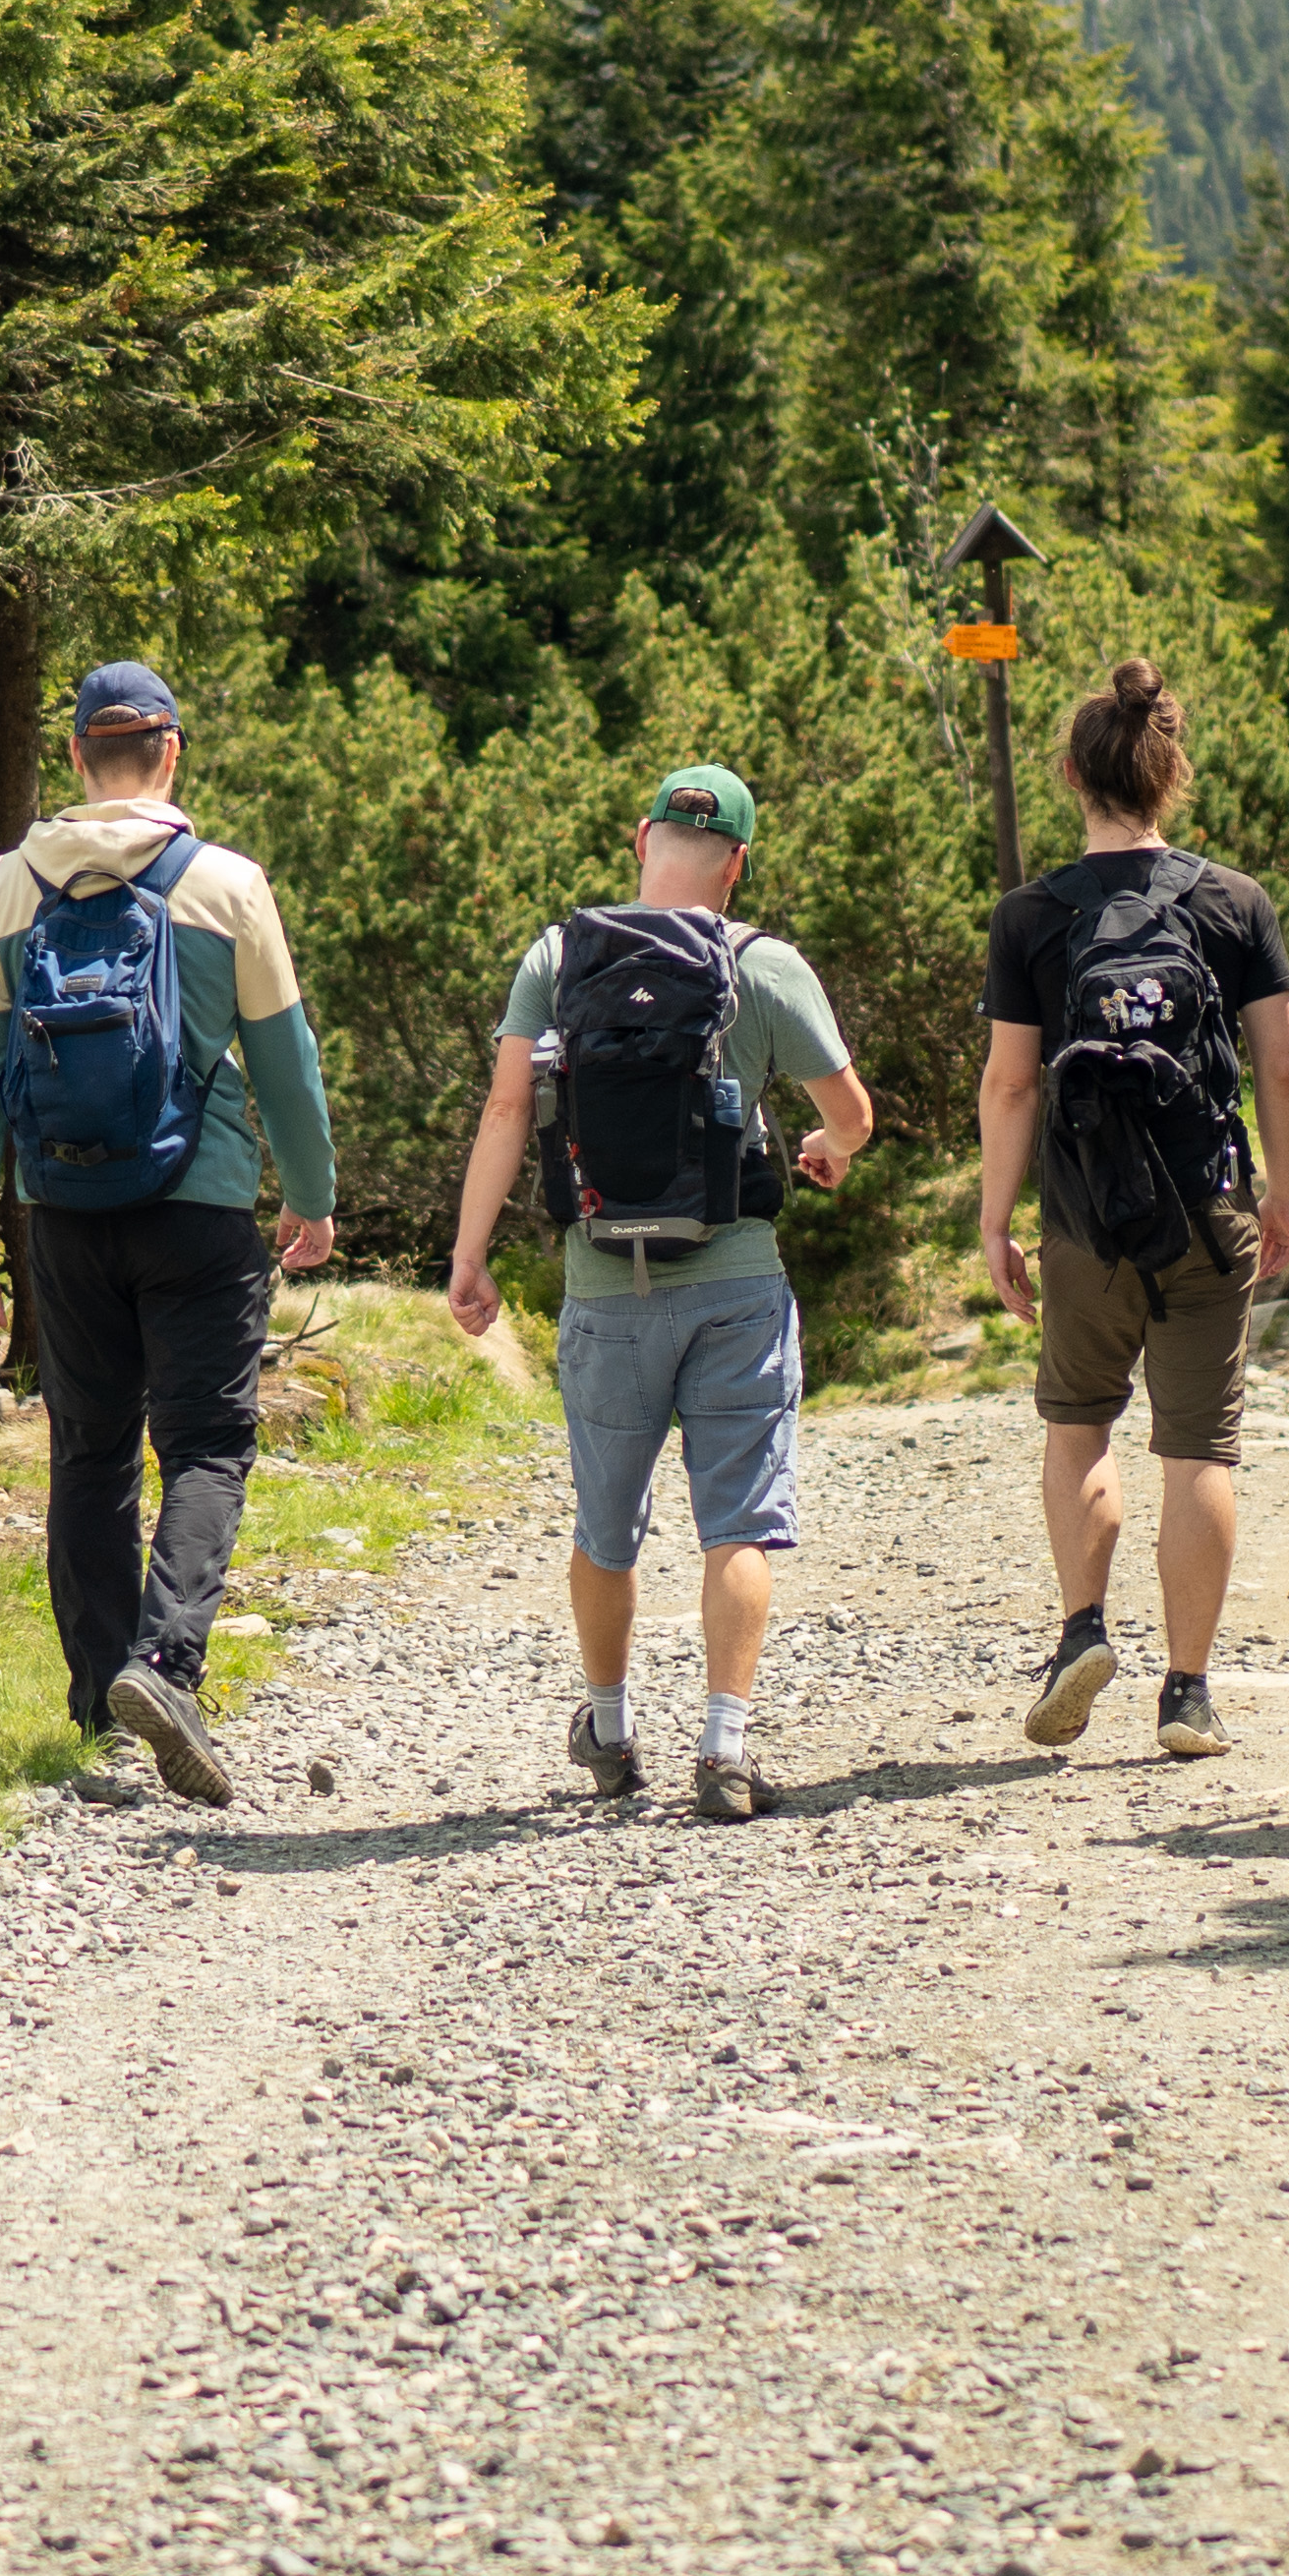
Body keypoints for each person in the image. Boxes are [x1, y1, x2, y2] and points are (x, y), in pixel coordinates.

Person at [0, 664, 339, 1810]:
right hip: (200, 1207)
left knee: (89, 1449)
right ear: (171, 752)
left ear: (75, 756)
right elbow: (285, 1060)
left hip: (63, 1213)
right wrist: (309, 1192)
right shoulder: (227, 884)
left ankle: (99, 1707)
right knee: (205, 1442)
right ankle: (164, 1663)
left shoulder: (7, 888)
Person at [443, 765, 872, 1826]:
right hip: (736, 1284)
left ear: (643, 841)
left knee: (605, 1526)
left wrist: (470, 1254)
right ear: (738, 863)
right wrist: (829, 1148)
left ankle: (610, 1726)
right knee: (738, 1524)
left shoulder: (559, 958)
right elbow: (852, 1113)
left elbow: (507, 1110)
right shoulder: (765, 966)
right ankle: (723, 1746)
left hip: (604, 1288)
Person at [972, 659, 1289, 1762]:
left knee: (1080, 1427)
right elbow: (1281, 1067)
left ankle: (1081, 1631)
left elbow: (1011, 1085)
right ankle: (1187, 1694)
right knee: (1199, 1449)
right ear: (1173, 773)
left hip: (1084, 1218)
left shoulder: (1030, 915)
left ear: (1072, 776)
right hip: (1208, 1209)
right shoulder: (1234, 902)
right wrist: (1282, 1194)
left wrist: (997, 1221)